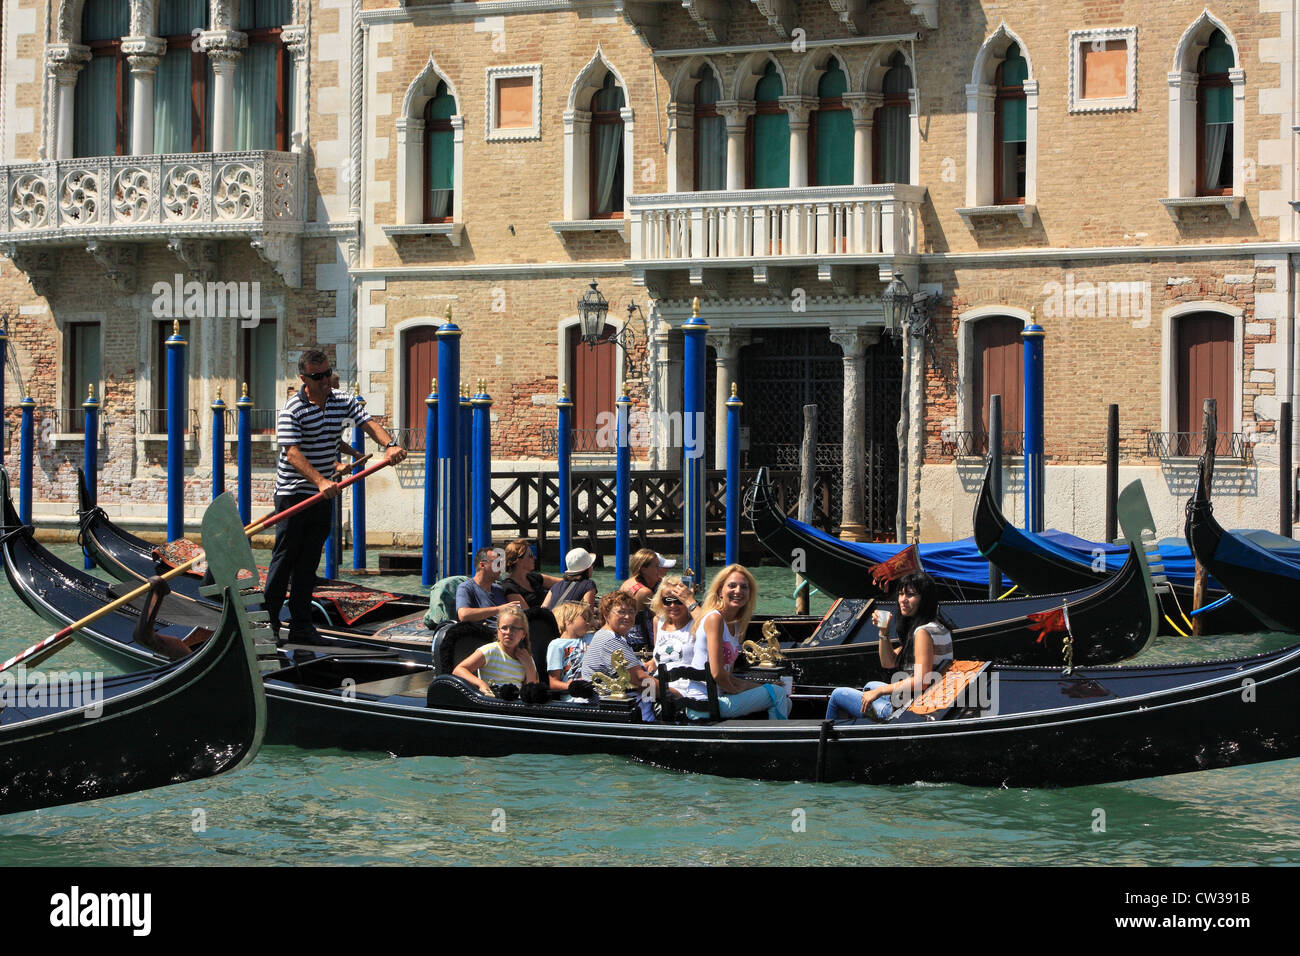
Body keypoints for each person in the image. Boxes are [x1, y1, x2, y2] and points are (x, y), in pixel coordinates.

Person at [265, 348, 406, 645]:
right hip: (294, 493)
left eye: (328, 373)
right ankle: (270, 624)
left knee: (309, 562)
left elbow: (367, 422)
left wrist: (389, 445)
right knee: (285, 559)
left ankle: (302, 624)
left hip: (323, 492)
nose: (326, 380)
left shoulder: (341, 400)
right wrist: (319, 481)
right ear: (304, 378)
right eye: (319, 376)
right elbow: (292, 453)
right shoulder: (292, 409)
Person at [824, 571, 953, 723]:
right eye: (901, 594)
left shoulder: (923, 632)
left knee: (838, 695)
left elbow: (921, 681)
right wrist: (883, 632)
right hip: (920, 699)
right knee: (870, 686)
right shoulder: (939, 627)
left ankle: (829, 740)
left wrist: (881, 691)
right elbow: (888, 662)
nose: (903, 600)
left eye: (910, 595)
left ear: (924, 600)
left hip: (907, 711)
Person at [681, 564, 790, 720]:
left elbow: (728, 676)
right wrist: (744, 689)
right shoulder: (715, 618)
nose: (738, 591)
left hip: (718, 698)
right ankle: (777, 742)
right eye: (732, 586)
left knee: (785, 701)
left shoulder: (736, 624)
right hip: (703, 703)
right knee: (778, 694)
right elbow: (718, 674)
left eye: (744, 587)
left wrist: (759, 687)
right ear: (720, 591)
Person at [581, 590, 657, 718]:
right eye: (621, 612)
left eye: (631, 612)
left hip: (616, 703)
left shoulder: (604, 636)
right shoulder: (611, 640)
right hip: (621, 708)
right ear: (606, 614)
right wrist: (670, 692)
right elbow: (640, 680)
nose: (627, 617)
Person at [453, 607, 540, 696]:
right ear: (498, 631)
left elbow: (531, 694)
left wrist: (530, 668)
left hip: (516, 707)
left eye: (514, 628)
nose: (508, 632)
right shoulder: (490, 651)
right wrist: (481, 684)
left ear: (523, 634)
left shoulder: (527, 658)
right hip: (492, 705)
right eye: (504, 628)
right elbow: (458, 670)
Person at [456, 546, 524, 633]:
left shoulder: (498, 589)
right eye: (497, 563)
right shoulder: (466, 588)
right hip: (483, 636)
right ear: (482, 565)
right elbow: (464, 615)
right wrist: (500, 609)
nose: (500, 567)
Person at [545, 601, 596, 700]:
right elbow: (553, 683)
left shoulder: (592, 637)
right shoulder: (556, 645)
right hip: (574, 697)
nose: (588, 623)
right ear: (568, 620)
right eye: (584, 618)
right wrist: (572, 686)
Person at [649, 574, 697, 675]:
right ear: (660, 602)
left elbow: (709, 624)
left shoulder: (697, 623)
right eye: (667, 601)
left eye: (678, 600)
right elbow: (658, 657)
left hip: (686, 685)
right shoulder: (658, 621)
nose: (673, 605)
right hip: (660, 681)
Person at [498, 538, 562, 609]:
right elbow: (527, 615)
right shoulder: (509, 587)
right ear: (518, 561)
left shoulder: (534, 578)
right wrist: (549, 596)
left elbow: (564, 583)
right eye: (530, 555)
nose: (534, 558)